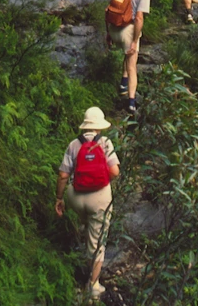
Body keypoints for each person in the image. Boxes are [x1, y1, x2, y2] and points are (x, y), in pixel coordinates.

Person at [55, 106, 120, 300]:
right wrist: (100, 178)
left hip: (76, 197)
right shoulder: (105, 143)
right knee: (97, 240)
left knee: (87, 225)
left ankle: (85, 240)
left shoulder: (74, 144)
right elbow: (115, 172)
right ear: (100, 127)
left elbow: (63, 175)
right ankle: (93, 285)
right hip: (98, 198)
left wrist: (59, 198)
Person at [105, 0, 161, 115]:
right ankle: (131, 103)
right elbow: (139, 19)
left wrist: (108, 33)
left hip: (114, 29)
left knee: (126, 54)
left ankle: (123, 83)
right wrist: (135, 41)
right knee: (132, 66)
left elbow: (109, 10)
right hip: (127, 32)